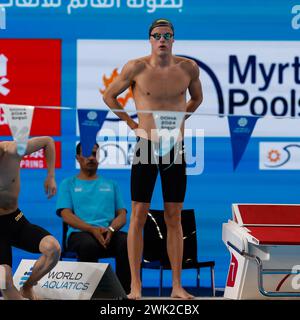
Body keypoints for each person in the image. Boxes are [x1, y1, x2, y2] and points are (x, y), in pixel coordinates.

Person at [103, 18, 203, 299]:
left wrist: (181, 119)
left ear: (173, 40)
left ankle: (176, 286)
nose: (162, 39)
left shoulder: (188, 68)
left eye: (167, 35)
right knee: (137, 214)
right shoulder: (136, 67)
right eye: (157, 35)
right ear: (150, 39)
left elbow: (197, 98)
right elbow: (110, 96)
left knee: (174, 216)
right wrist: (131, 124)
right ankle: (135, 286)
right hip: (146, 144)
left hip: (175, 147)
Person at [56, 142, 130, 294]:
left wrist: (111, 229)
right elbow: (66, 215)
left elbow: (122, 215)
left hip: (108, 233)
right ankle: (91, 294)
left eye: (95, 154)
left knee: (127, 241)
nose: (91, 158)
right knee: (88, 245)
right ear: (77, 158)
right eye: (87, 154)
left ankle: (124, 293)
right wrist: (91, 229)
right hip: (79, 234)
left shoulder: (111, 184)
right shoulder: (68, 184)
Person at [0, 136, 61, 300]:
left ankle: (27, 286)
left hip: (15, 219)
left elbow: (48, 141)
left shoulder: (13, 150)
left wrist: (51, 176)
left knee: (53, 249)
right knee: (3, 280)